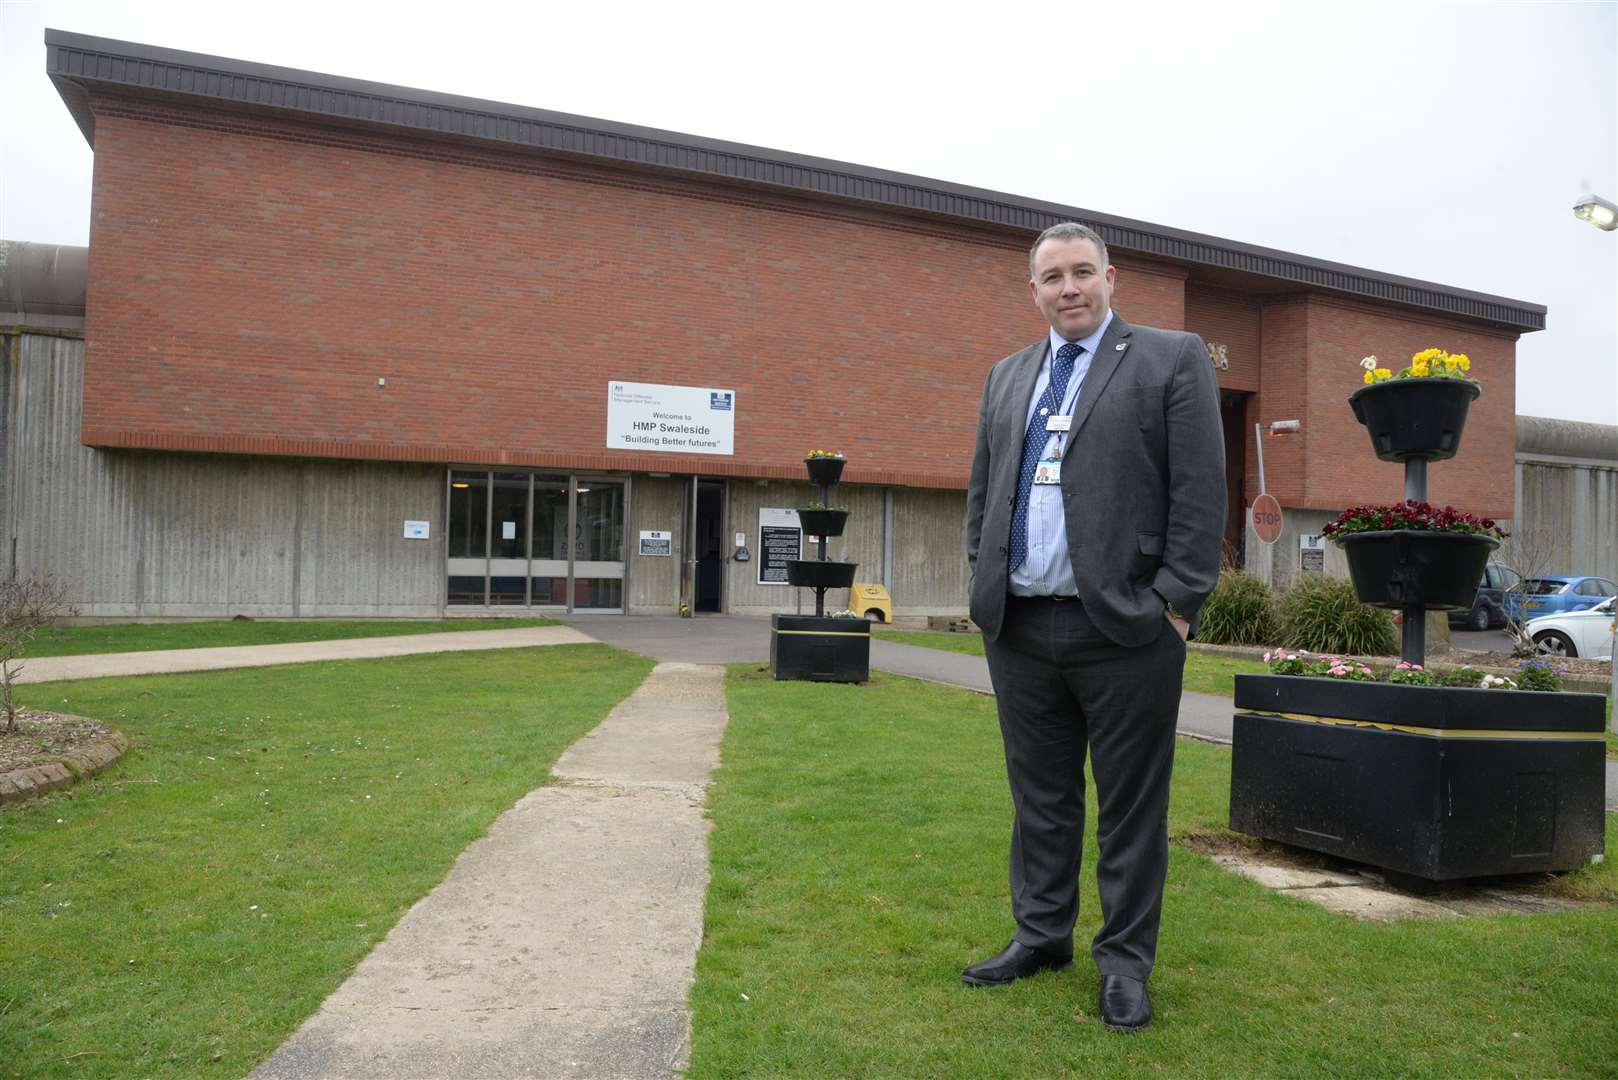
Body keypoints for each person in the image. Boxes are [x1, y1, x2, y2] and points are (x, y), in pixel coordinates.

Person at [962, 221, 1226, 1032]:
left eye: (1083, 273)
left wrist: (1176, 606)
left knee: (1129, 810)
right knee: (1040, 800)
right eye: (1053, 277)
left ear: (1112, 279)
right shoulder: (1008, 376)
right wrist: (985, 578)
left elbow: (1200, 492)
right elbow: (983, 495)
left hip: (1127, 633)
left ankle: (1124, 964)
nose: (1069, 288)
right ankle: (1041, 937)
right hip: (1021, 628)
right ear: (1033, 290)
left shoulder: (1170, 358)